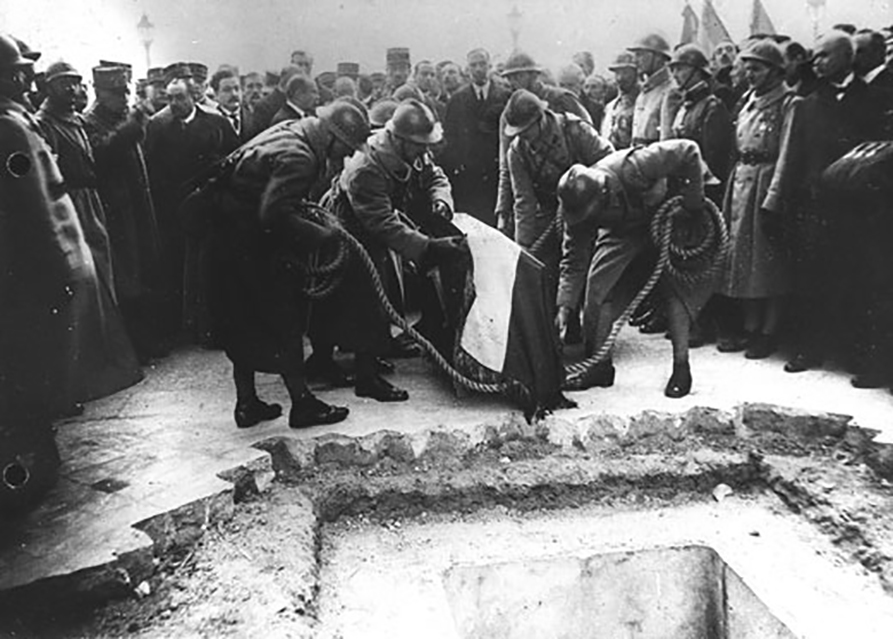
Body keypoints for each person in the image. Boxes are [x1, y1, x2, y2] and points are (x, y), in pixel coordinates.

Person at [194, 102, 370, 428]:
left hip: (226, 239)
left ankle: (247, 403)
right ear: (332, 137)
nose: (347, 155)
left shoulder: (292, 130)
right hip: (248, 244)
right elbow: (273, 214)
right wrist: (324, 235)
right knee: (283, 321)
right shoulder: (301, 157)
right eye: (346, 147)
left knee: (242, 323)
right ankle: (302, 404)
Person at [319, 100, 466, 402]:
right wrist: (428, 248)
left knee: (376, 295)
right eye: (419, 146)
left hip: (374, 224)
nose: (424, 152)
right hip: (349, 228)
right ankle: (365, 376)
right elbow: (382, 223)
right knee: (366, 297)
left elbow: (435, 177)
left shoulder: (412, 148)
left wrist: (441, 200)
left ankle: (364, 357)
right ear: (398, 139)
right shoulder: (368, 166)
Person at [555, 140, 713, 398]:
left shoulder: (634, 166)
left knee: (674, 290)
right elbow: (573, 262)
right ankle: (600, 367)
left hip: (666, 216)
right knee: (597, 290)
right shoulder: (577, 208)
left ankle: (681, 367)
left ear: (603, 193)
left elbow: (688, 150)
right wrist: (565, 306)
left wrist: (692, 204)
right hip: (623, 229)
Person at [0, 34, 105, 419]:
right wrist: (60, 263)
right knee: (38, 360)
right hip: (34, 265)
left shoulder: (17, 121)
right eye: (17, 74)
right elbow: (36, 204)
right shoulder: (11, 127)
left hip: (25, 264)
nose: (27, 81)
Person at [783, 31, 886, 378]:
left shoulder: (877, 99)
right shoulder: (808, 103)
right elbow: (796, 158)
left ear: (846, 56)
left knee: (861, 282)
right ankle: (809, 349)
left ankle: (860, 357)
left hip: (860, 210)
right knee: (812, 280)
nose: (816, 62)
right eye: (814, 56)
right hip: (817, 208)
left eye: (824, 55)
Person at [145, 64, 239, 343]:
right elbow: (152, 169)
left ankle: (212, 326)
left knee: (211, 269)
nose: (174, 104)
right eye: (170, 98)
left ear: (193, 97)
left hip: (211, 207)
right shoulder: (158, 127)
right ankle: (185, 327)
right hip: (175, 209)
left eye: (180, 98)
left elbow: (235, 160)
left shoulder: (216, 123)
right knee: (180, 268)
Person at [718, 40, 800, 359]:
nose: (750, 74)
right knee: (743, 261)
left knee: (768, 262)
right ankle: (751, 327)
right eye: (747, 68)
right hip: (741, 183)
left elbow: (787, 155)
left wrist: (774, 197)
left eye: (757, 69)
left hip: (765, 184)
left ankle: (769, 331)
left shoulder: (789, 103)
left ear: (775, 71)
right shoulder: (747, 101)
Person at [83, 64, 164, 363]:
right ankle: (137, 347)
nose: (124, 98)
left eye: (126, 91)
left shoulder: (121, 118)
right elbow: (103, 154)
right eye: (116, 93)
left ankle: (149, 340)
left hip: (137, 208)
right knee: (127, 279)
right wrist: (132, 126)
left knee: (145, 271)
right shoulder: (90, 122)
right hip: (116, 214)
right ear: (99, 92)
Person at [504, 89, 614, 304]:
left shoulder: (574, 130)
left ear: (540, 120)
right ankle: (560, 315)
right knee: (546, 268)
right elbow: (524, 201)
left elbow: (609, 160)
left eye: (526, 130)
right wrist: (524, 246)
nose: (522, 137)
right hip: (550, 213)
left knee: (591, 265)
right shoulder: (517, 152)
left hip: (590, 203)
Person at [494, 50, 591, 237]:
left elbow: (588, 137)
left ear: (534, 75)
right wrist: (502, 209)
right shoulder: (510, 115)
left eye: (518, 76)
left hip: (580, 193)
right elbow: (507, 166)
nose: (513, 82)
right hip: (542, 201)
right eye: (510, 78)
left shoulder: (562, 99)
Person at [441, 47, 511, 226]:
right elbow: (449, 137)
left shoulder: (504, 96)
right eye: (474, 65)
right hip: (468, 176)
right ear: (468, 69)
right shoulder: (457, 99)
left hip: (496, 173)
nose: (478, 69)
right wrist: (457, 165)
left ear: (489, 66)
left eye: (482, 64)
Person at [627, 33, 682, 145]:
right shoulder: (644, 92)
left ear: (658, 57)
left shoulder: (670, 91)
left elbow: (667, 144)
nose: (635, 61)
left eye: (640, 55)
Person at [602, 52, 640, 150]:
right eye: (617, 73)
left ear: (636, 74)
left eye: (625, 73)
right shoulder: (610, 107)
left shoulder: (643, 104)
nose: (620, 78)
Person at [211, 68, 252, 143]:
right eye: (227, 90)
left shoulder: (254, 119)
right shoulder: (209, 122)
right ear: (216, 94)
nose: (234, 94)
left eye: (237, 88)